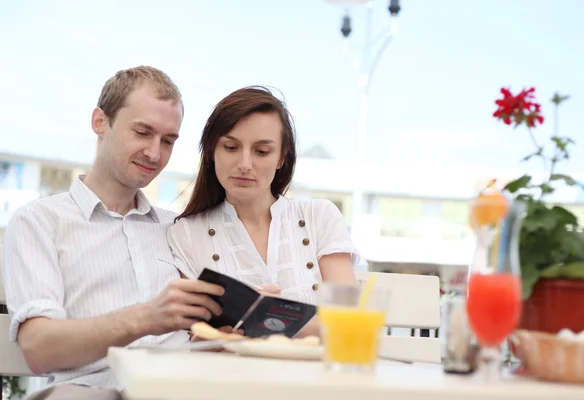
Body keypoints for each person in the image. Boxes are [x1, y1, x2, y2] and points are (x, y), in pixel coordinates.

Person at [2, 66, 225, 400]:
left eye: (168, 141)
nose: (154, 154)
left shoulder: (179, 228)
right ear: (99, 122)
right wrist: (145, 318)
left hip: (184, 388)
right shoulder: (39, 222)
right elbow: (38, 348)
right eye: (142, 132)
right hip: (91, 391)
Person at [167, 86, 360, 336]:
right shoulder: (186, 234)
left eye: (262, 152)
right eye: (231, 147)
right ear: (212, 151)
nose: (245, 164)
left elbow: (349, 323)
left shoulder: (319, 217)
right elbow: (195, 335)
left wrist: (260, 316)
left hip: (314, 374)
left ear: (282, 158)